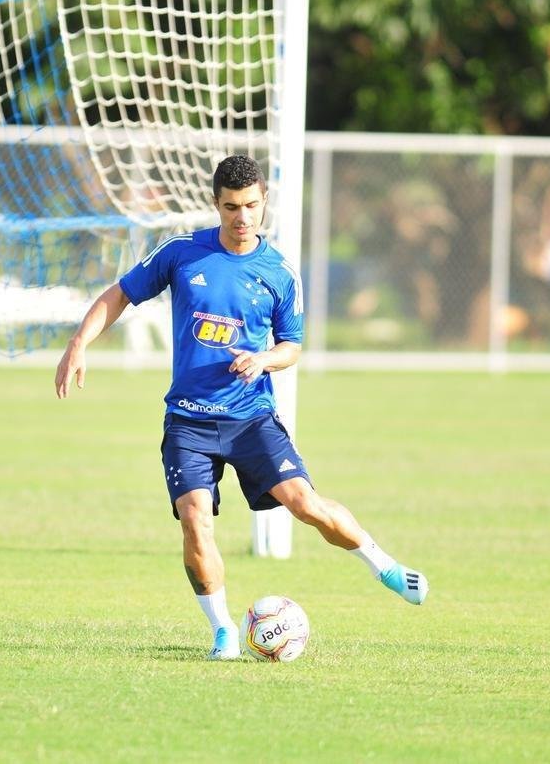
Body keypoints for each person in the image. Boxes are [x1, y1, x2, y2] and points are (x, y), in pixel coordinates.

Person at [55, 155, 427, 660]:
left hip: (250, 418)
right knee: (194, 518)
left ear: (264, 202)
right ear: (216, 204)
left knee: (304, 503)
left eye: (251, 205)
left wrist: (264, 360)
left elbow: (292, 346)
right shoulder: (183, 253)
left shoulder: (278, 273)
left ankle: (381, 562)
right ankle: (224, 631)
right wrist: (80, 341)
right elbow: (120, 295)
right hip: (188, 419)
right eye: (231, 207)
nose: (242, 217)